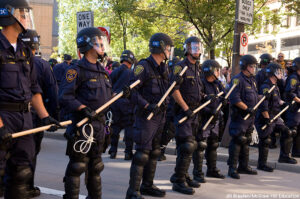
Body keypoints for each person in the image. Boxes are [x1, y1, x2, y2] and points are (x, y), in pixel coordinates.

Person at [0, 1, 60, 198]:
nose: (26, 17)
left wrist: (44, 117)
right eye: (22, 13)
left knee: (22, 172)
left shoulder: (25, 52)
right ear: (9, 14)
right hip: (4, 116)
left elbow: (34, 89)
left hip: (25, 119)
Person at [59, 27, 112, 199]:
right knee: (77, 167)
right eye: (98, 42)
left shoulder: (102, 71)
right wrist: (82, 108)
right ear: (88, 45)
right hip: (83, 126)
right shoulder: (76, 70)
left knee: (96, 166)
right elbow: (65, 97)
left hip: (100, 125)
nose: (102, 45)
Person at [125, 33, 173, 199]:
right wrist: (146, 104)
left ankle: (147, 185)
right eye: (168, 48)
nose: (169, 51)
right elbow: (131, 92)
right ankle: (133, 191)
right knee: (142, 153)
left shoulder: (163, 68)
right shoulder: (143, 67)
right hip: (146, 117)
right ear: (160, 48)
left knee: (154, 152)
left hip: (160, 116)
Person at [21, 29, 59, 197]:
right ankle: (28, 186)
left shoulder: (12, 60)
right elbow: (52, 92)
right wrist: (51, 117)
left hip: (13, 115)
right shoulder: (42, 65)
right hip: (35, 117)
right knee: (30, 153)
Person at [169, 36, 203, 195]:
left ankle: (184, 175)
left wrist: (205, 97)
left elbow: (196, 90)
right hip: (183, 113)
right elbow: (174, 90)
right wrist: (185, 108)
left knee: (189, 147)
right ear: (186, 49)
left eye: (198, 47)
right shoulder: (180, 66)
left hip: (195, 113)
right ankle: (178, 180)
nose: (197, 50)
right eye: (193, 47)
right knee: (186, 145)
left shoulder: (197, 67)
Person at [255, 63, 296, 173]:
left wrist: (284, 103)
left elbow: (277, 100)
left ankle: (284, 156)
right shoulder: (265, 87)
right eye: (278, 71)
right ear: (272, 73)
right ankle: (261, 164)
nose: (281, 73)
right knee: (266, 140)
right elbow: (263, 105)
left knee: (287, 132)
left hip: (275, 117)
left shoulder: (275, 85)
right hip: (265, 117)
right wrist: (267, 119)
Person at [227, 54, 259, 179]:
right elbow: (234, 98)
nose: (253, 69)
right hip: (240, 117)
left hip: (250, 118)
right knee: (237, 141)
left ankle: (243, 166)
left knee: (246, 142)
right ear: (245, 66)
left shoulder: (252, 80)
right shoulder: (237, 79)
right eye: (252, 66)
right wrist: (247, 109)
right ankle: (232, 168)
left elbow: (254, 97)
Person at [197, 60, 226, 181]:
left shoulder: (217, 83)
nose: (218, 72)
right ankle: (197, 173)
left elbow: (223, 95)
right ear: (209, 70)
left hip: (215, 119)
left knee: (213, 144)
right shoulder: (201, 84)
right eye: (216, 70)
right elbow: (197, 103)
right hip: (204, 119)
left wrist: (224, 101)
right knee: (201, 145)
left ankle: (211, 169)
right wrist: (208, 110)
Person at [109, 50, 137, 160]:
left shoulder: (114, 72)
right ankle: (128, 152)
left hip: (115, 103)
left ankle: (113, 151)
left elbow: (108, 86)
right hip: (128, 104)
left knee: (115, 128)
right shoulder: (132, 73)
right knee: (129, 128)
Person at [284, 57, 300, 160]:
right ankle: (285, 155)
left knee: (298, 130)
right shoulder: (294, 78)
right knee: (290, 131)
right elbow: (290, 92)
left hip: (298, 108)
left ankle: (296, 152)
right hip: (293, 108)